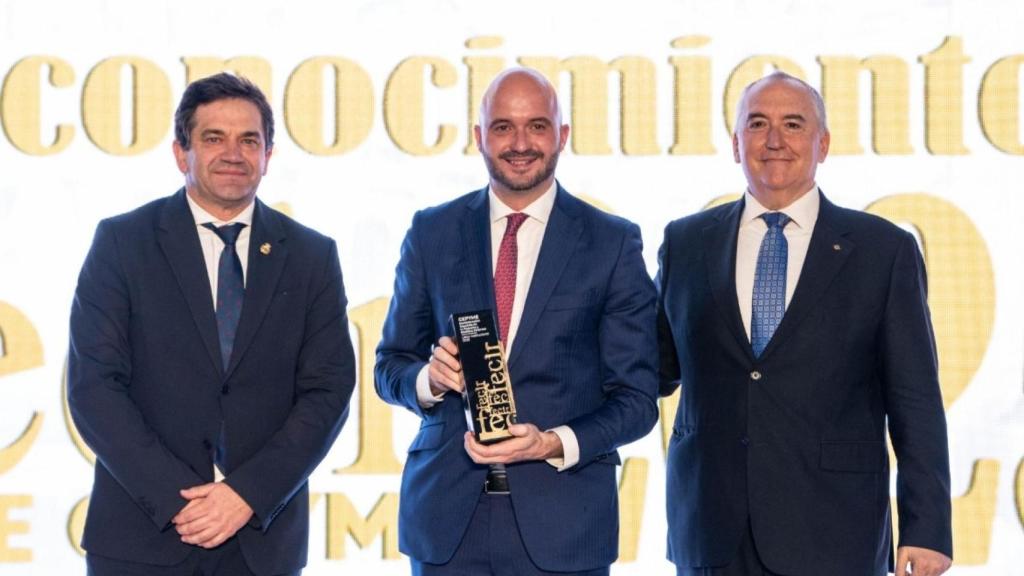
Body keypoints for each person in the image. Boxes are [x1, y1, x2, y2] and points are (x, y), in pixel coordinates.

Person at [656, 71, 953, 576]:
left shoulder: (883, 251)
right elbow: (648, 371)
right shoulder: (686, 243)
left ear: (823, 143)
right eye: (757, 124)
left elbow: (915, 400)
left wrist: (926, 529)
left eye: (793, 124)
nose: (774, 141)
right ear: (735, 144)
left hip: (835, 532)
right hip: (711, 530)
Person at [68, 72, 355, 576]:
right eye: (213, 138)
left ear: (269, 155)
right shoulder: (123, 243)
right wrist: (182, 502)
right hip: (142, 537)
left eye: (250, 140)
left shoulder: (311, 256)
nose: (233, 153)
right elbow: (94, 388)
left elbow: (328, 391)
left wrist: (245, 494)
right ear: (182, 154)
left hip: (261, 542)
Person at [374, 68, 659, 576]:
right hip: (445, 524)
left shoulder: (611, 243)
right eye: (503, 127)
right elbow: (389, 366)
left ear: (562, 136)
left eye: (537, 126)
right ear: (479, 137)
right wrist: (429, 380)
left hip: (565, 525)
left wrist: (551, 442)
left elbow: (637, 402)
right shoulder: (431, 232)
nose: (520, 143)